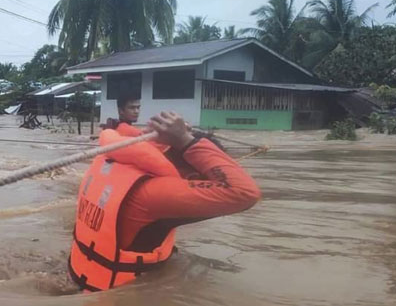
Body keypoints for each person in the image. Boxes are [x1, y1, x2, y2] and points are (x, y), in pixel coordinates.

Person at [69, 110, 261, 292]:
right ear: (194, 176)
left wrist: (180, 137)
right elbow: (244, 192)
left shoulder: (121, 166)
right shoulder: (154, 194)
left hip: (82, 276)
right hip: (121, 292)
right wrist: (185, 140)